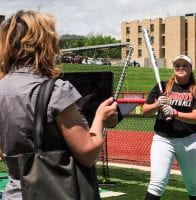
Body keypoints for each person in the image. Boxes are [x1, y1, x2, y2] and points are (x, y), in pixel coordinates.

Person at [0, 10, 118, 199]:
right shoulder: (56, 90)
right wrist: (100, 119)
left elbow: (4, 153)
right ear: (44, 43)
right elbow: (87, 154)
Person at [143, 55, 196, 200]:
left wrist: (175, 113)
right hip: (163, 140)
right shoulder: (162, 86)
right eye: (178, 65)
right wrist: (157, 104)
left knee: (193, 185)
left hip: (188, 141)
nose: (181, 68)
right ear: (174, 68)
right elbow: (145, 111)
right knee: (157, 183)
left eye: (185, 65)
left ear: (190, 69)